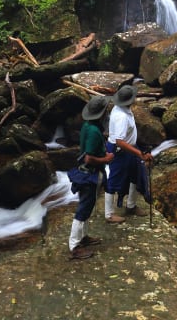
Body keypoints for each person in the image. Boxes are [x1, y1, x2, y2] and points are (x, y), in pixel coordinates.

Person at [68, 95, 114, 260]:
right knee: (84, 208)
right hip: (89, 174)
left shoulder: (88, 125)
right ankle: (74, 246)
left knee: (88, 206)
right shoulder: (94, 131)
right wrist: (106, 159)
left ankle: (84, 237)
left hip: (85, 173)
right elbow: (88, 158)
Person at [104, 84, 153, 223]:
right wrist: (139, 153)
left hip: (129, 148)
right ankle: (109, 214)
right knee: (114, 180)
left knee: (135, 175)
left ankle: (131, 206)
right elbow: (119, 141)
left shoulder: (121, 108)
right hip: (119, 151)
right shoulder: (121, 117)